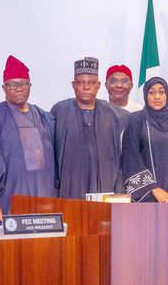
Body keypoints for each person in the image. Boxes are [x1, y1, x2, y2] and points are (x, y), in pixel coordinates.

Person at [0, 55, 56, 239]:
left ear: (30, 86)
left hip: (42, 198)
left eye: (23, 84)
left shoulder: (43, 116)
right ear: (4, 88)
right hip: (8, 200)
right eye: (13, 85)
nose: (19, 89)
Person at [51, 57, 124, 200]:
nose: (86, 87)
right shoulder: (59, 111)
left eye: (91, 82)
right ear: (73, 84)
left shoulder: (115, 115)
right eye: (81, 82)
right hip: (70, 185)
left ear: (98, 85)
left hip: (104, 186)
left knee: (102, 221)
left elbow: (123, 158)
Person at [121, 77, 168, 202]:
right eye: (151, 92)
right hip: (147, 195)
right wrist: (154, 189)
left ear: (167, 94)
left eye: (161, 92)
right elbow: (130, 156)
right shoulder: (136, 120)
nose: (157, 96)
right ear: (146, 96)